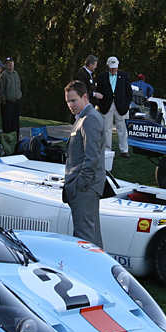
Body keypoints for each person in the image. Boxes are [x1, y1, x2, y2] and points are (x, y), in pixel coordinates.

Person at [63, 80, 106, 247]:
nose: (70, 105)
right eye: (68, 101)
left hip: (85, 189)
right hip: (83, 187)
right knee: (90, 235)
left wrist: (80, 184)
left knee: (85, 237)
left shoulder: (90, 119)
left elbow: (92, 157)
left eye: (73, 100)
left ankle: (89, 271)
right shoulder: (84, 118)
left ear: (85, 97)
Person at [94, 56, 131, 157]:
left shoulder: (124, 76)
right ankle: (107, 150)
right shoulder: (102, 77)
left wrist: (126, 104)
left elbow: (129, 92)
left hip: (121, 106)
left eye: (115, 67)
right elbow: (99, 92)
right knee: (106, 129)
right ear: (108, 66)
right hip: (106, 106)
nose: (114, 69)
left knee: (122, 128)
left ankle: (124, 150)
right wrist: (100, 105)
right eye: (112, 67)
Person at [0, 57, 23, 139]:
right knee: (7, 123)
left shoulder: (16, 74)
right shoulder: (3, 75)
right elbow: (1, 89)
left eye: (12, 62)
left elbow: (19, 86)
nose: (11, 64)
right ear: (5, 65)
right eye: (8, 63)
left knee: (15, 123)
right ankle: (8, 141)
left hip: (16, 101)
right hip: (8, 103)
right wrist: (3, 100)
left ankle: (15, 140)